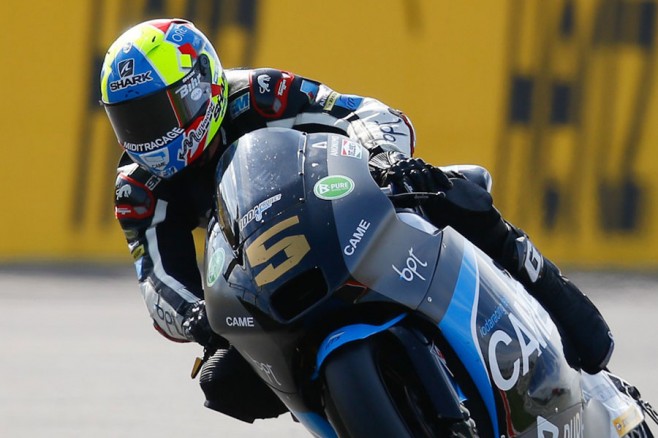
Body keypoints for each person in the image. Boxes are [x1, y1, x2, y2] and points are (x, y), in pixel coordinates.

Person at [102, 18, 615, 423]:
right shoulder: (138, 188)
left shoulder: (261, 94)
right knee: (224, 384)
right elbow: (159, 281)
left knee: (457, 194)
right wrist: (198, 319)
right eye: (131, 121)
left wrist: (380, 156)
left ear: (198, 86)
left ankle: (562, 308)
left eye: (157, 113)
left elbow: (362, 112)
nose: (148, 135)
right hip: (262, 270)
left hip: (334, 209)